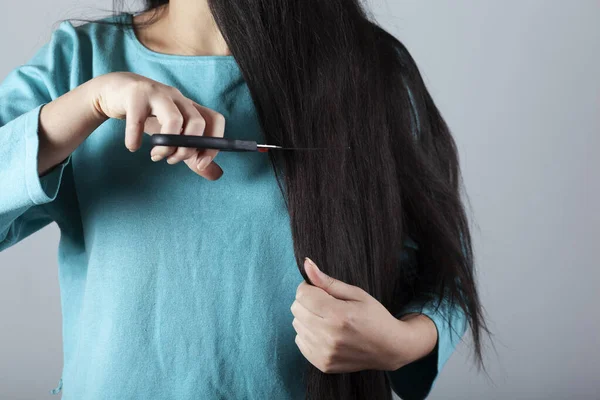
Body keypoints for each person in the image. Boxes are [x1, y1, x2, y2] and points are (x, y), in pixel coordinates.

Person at [0, 1, 487, 399]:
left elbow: (446, 271)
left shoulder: (370, 69)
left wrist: (400, 344)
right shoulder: (80, 61)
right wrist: (89, 105)